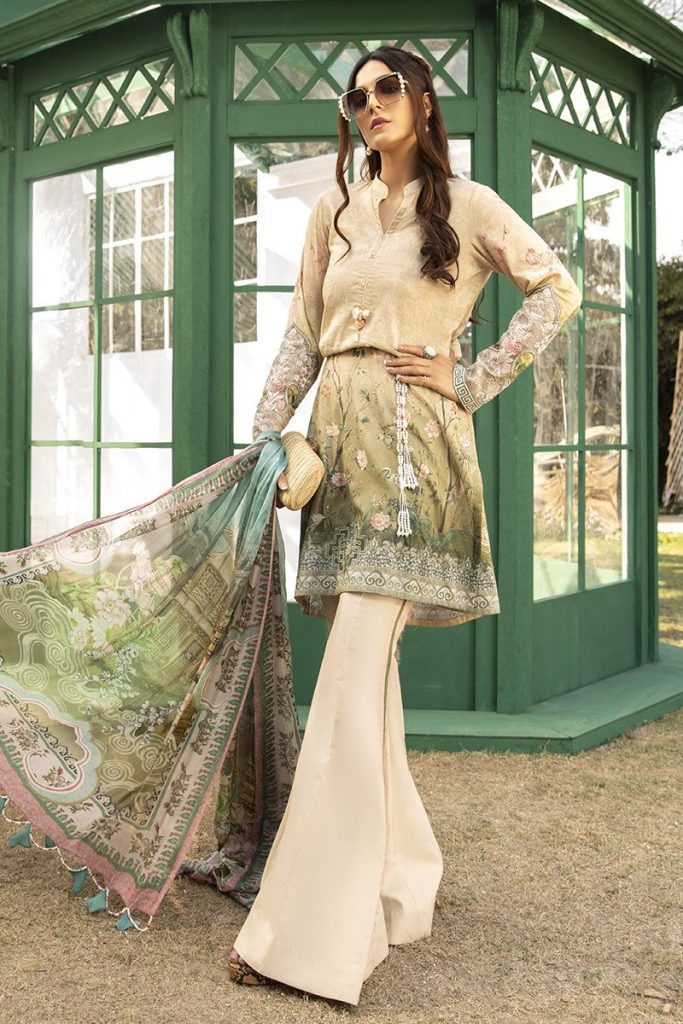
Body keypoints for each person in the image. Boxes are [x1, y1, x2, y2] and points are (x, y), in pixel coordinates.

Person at [225, 44, 581, 1005]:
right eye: (357, 94)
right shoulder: (332, 213)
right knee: (367, 686)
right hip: (335, 462)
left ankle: (308, 937)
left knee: (345, 685)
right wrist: (264, 438)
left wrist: (473, 379)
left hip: (414, 458)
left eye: (388, 86)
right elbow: (301, 334)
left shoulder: (467, 205)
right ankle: (401, 883)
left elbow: (557, 289)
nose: (371, 102)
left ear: (423, 102)